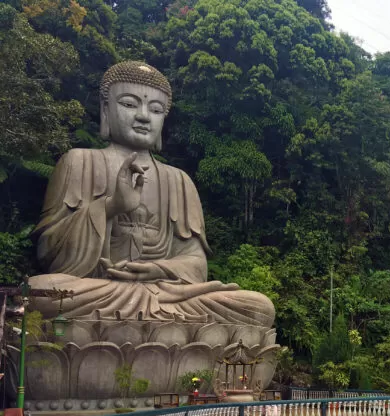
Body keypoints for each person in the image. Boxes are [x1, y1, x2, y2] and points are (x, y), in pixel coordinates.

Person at [29, 62, 274, 327]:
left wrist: (159, 269)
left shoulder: (179, 181)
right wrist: (111, 207)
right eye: (129, 104)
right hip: (99, 288)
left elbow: (196, 264)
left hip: (166, 293)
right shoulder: (79, 162)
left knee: (259, 308)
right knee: (39, 293)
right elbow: (48, 252)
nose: (144, 116)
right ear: (105, 109)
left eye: (156, 110)